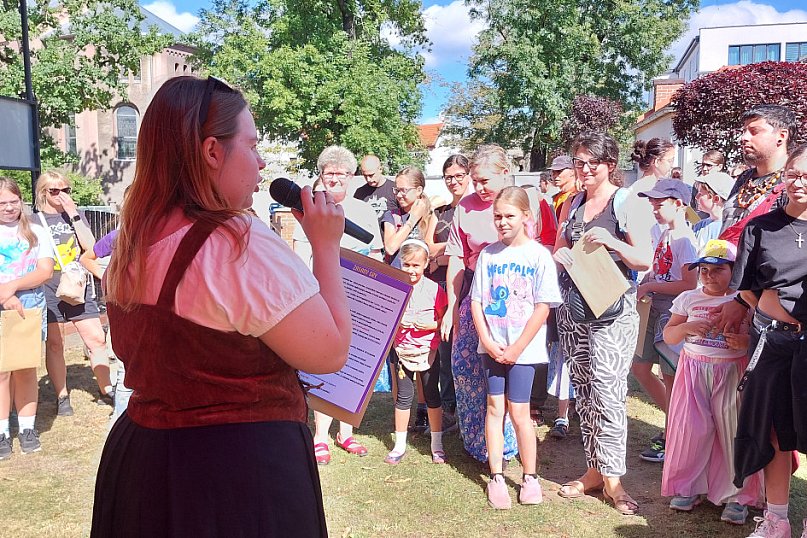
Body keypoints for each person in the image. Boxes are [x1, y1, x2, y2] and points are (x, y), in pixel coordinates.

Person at [91, 76, 352, 537]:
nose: (261, 161)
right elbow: (329, 354)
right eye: (250, 145)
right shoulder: (237, 241)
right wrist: (327, 249)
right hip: (235, 474)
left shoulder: (134, 241)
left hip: (143, 464)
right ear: (213, 152)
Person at [553, 132, 652, 515]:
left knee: (609, 392)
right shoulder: (573, 202)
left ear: (610, 164)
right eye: (578, 161)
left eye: (592, 161)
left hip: (613, 311)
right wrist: (559, 255)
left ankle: (614, 480)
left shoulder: (627, 202)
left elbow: (643, 258)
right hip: (574, 308)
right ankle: (594, 470)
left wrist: (612, 242)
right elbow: (559, 246)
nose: (584, 168)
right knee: (585, 391)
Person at [731, 145, 807, 538]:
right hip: (773, 344)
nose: (800, 181)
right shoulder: (760, 228)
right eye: (794, 173)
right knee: (774, 432)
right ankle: (777, 519)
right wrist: (780, 317)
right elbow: (744, 289)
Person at [660, 239, 763, 525]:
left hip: (732, 372)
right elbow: (669, 336)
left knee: (733, 431)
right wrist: (685, 327)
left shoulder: (745, 301)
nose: (708, 275)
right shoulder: (689, 298)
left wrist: (743, 341)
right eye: (703, 269)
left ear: (735, 270)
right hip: (693, 372)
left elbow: (759, 337)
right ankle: (689, 487)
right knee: (691, 430)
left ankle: (738, 496)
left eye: (718, 270)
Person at [471, 186, 561, 509]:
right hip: (493, 348)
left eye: (509, 216)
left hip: (524, 350)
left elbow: (542, 306)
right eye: (497, 216)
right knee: (495, 409)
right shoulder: (487, 255)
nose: (502, 222)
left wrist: (517, 347)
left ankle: (530, 476)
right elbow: (477, 303)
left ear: (526, 216)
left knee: (520, 413)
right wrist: (488, 341)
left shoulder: (538, 256)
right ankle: (496, 476)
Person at [293, 145, 383, 466]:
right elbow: (302, 255)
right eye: (328, 172)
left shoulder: (363, 210)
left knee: (354, 363)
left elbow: (375, 254)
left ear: (350, 176)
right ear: (320, 175)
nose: (334, 178)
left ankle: (346, 432)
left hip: (359, 295)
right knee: (327, 362)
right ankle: (320, 436)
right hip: (321, 293)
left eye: (340, 173)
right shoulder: (311, 209)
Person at [442, 144, 522, 463]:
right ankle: (476, 441)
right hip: (475, 290)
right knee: (464, 367)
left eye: (485, 180)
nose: (479, 188)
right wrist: (451, 308)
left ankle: (507, 442)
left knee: (505, 367)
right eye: (475, 181)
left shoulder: (521, 202)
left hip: (513, 294)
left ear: (504, 174)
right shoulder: (465, 207)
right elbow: (457, 259)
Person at [714, 104, 796, 336]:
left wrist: (742, 301)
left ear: (781, 136)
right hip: (723, 287)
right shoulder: (744, 178)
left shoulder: (794, 185)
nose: (743, 137)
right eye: (743, 131)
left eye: (754, 131)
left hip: (765, 307)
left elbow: (787, 256)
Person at [35, 170, 113, 416]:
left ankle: (106, 390)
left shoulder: (75, 217)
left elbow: (91, 248)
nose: (61, 195)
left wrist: (74, 214)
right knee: (55, 343)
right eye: (54, 191)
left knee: (96, 339)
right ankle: (62, 396)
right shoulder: (34, 220)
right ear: (43, 193)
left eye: (65, 190)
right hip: (49, 284)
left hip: (78, 283)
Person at [634, 179, 699, 463]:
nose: (655, 209)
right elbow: (659, 271)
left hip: (672, 311)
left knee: (670, 376)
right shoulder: (665, 234)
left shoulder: (685, 239)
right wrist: (648, 281)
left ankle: (672, 436)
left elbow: (689, 283)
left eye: (660, 204)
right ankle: (673, 428)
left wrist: (651, 287)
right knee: (640, 368)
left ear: (679, 205)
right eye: (652, 204)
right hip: (654, 307)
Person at [0, 178, 54, 459]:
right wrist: (4, 295)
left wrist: (12, 287)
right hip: (2, 305)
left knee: (24, 368)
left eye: (13, 201)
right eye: (2, 203)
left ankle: (27, 428)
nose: (9, 208)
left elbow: (45, 270)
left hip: (30, 304)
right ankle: (2, 432)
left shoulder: (34, 230)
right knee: (1, 372)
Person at [386, 240, 447, 465]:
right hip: (401, 350)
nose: (411, 270)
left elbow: (443, 320)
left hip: (427, 350)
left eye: (416, 266)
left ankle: (437, 444)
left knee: (432, 395)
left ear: (425, 265)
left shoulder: (434, 290)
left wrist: (428, 325)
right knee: (403, 397)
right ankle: (399, 444)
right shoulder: (395, 286)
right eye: (406, 265)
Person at [425, 155, 471, 419]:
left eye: (459, 176)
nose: (454, 181)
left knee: (462, 348)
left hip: (465, 283)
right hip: (440, 286)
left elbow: (470, 246)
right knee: (443, 348)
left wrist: (443, 255)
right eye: (449, 177)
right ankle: (448, 407)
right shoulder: (441, 212)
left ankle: (464, 405)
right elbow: (429, 245)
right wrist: (450, 250)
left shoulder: (476, 209)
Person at [381, 166, 432, 267]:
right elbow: (390, 248)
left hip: (422, 278)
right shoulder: (392, 216)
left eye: (404, 190)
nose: (399, 195)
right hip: (397, 276)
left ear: (418, 190)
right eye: (397, 190)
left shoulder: (431, 215)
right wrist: (412, 220)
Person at [692, 172, 735, 249]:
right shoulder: (700, 225)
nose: (696, 197)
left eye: (700, 194)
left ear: (716, 199)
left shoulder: (727, 227)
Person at [354, 154, 399, 223]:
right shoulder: (359, 193)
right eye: (365, 175)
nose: (368, 179)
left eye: (371, 175)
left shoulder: (395, 190)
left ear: (380, 169)